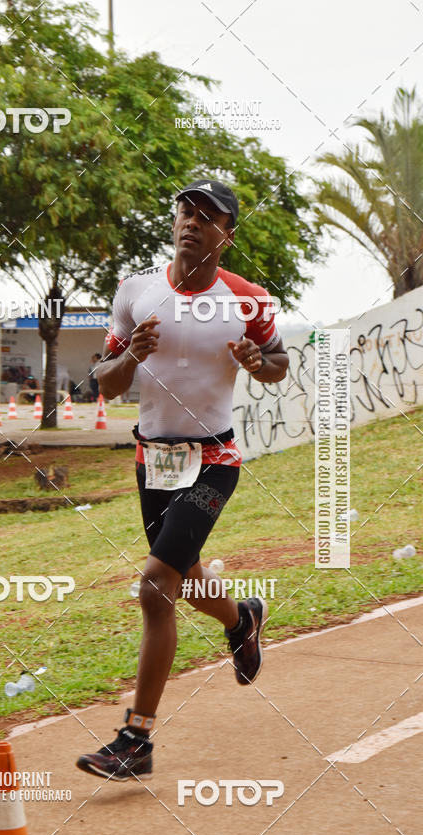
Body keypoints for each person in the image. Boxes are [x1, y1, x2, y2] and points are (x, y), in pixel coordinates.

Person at [76, 179, 289, 780]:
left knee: (154, 586)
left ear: (226, 234)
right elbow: (107, 380)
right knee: (186, 578)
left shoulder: (247, 299)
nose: (191, 223)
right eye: (185, 212)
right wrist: (131, 356)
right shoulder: (135, 291)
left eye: (207, 217)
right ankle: (241, 619)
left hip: (214, 460)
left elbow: (279, 363)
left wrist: (256, 362)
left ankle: (135, 739)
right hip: (153, 461)